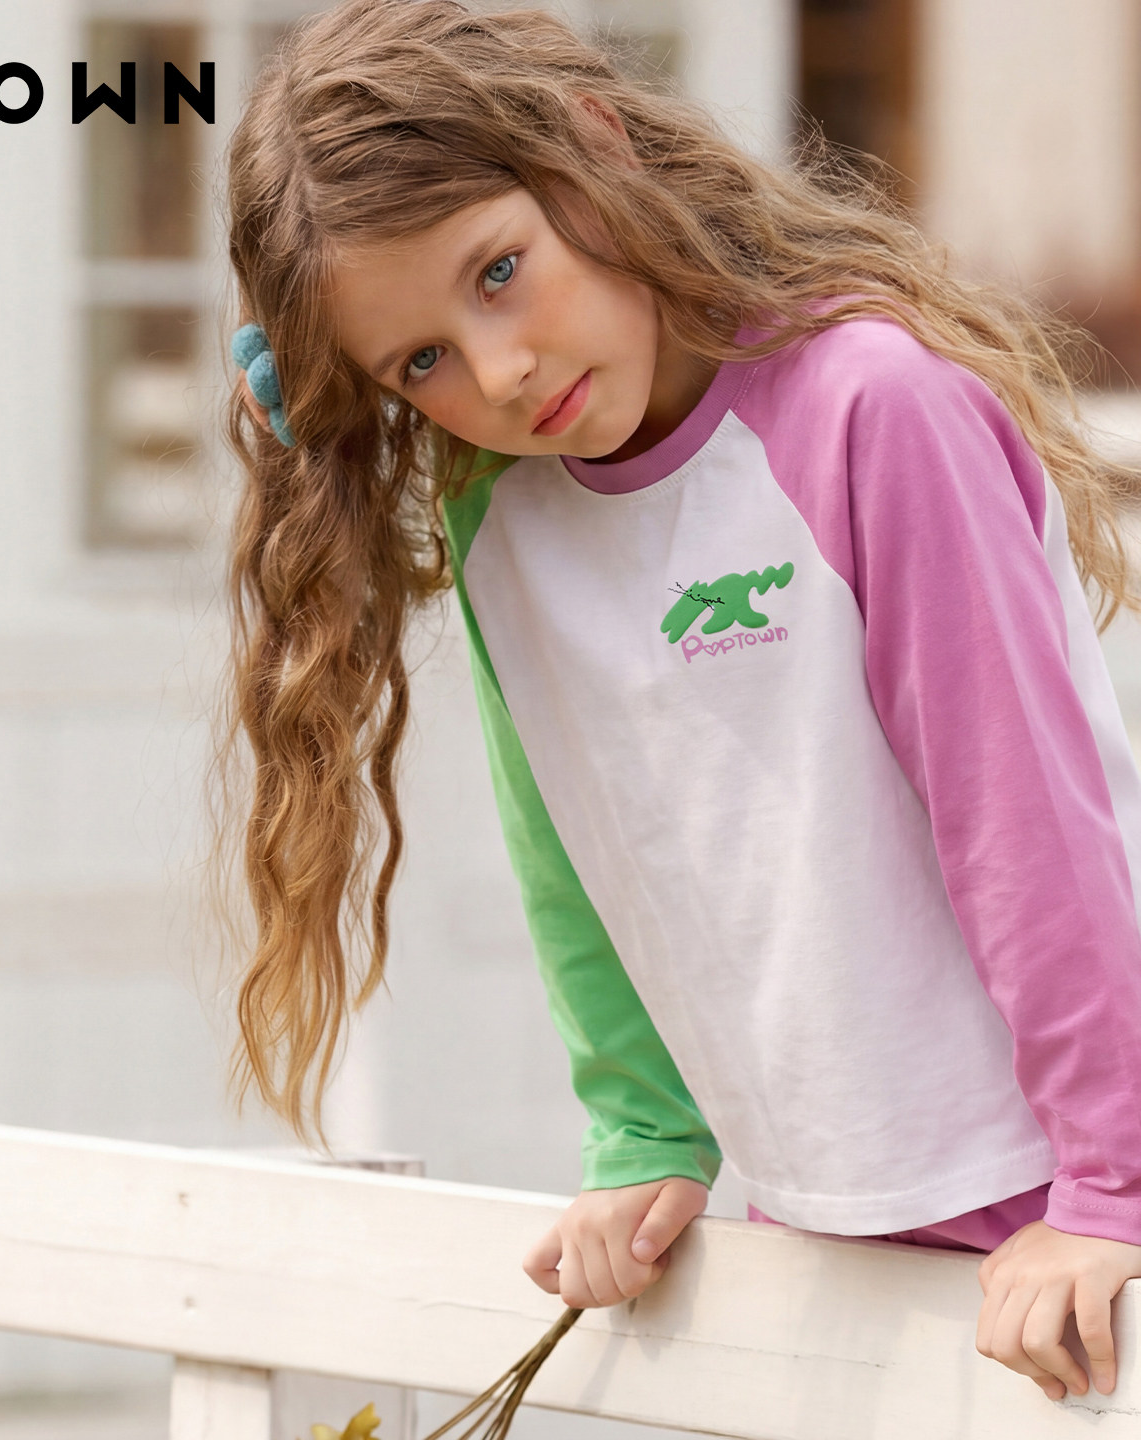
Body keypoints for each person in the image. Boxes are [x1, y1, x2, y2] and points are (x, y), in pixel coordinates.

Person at [215, 0, 1141, 1405]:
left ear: (596, 146)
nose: (500, 372)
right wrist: (645, 1134)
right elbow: (573, 845)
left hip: (1061, 1197)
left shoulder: (869, 408)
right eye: (420, 362)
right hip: (817, 1219)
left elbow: (1023, 818)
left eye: (500, 272)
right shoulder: (505, 520)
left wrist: (1111, 1181)